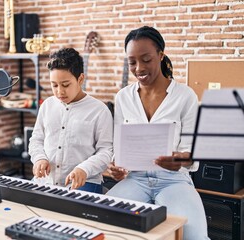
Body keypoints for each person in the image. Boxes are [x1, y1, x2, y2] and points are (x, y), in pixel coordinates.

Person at [106, 26, 209, 239]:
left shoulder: (185, 96)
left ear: (161, 55)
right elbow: (119, 146)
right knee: (103, 224)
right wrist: (117, 166)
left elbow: (192, 154)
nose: (138, 68)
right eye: (132, 61)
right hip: (135, 180)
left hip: (174, 180)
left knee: (195, 236)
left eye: (146, 59)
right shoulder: (123, 97)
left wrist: (180, 160)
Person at [28, 47, 113, 194]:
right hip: (46, 181)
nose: (59, 91)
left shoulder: (99, 110)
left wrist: (84, 169)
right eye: (54, 85)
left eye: (65, 85)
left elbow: (106, 151)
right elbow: (36, 139)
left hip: (84, 182)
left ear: (80, 79)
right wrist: (39, 158)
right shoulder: (47, 105)